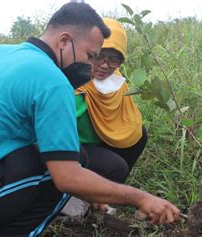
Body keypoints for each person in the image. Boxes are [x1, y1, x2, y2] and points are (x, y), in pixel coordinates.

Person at [0, 3, 179, 236]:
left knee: (65, 156)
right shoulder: (51, 80)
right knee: (62, 171)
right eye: (90, 55)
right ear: (64, 40)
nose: (92, 65)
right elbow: (68, 178)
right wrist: (141, 198)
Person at [62, 17, 148, 217]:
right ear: (89, 51)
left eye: (114, 58)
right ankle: (70, 199)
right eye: (99, 56)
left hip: (96, 141)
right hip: (68, 148)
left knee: (139, 135)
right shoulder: (73, 83)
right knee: (116, 167)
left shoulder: (116, 84)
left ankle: (99, 196)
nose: (105, 65)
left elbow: (126, 120)